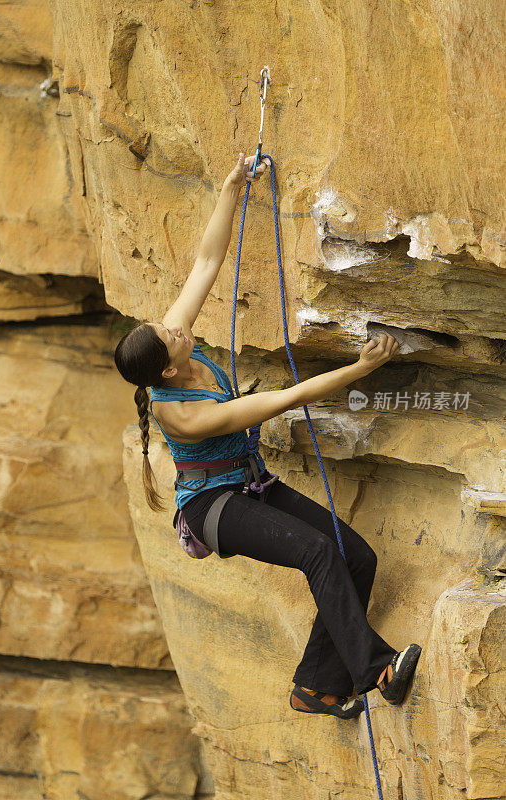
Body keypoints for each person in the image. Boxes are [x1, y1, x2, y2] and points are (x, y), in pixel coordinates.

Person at [114, 152, 422, 718]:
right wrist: (360, 369)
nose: (175, 324)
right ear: (165, 369)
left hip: (250, 484)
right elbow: (286, 399)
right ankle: (378, 669)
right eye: (166, 332)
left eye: (163, 322)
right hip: (212, 505)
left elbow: (207, 261)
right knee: (316, 551)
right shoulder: (182, 412)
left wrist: (231, 188)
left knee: (357, 557)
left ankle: (314, 686)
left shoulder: (174, 345)